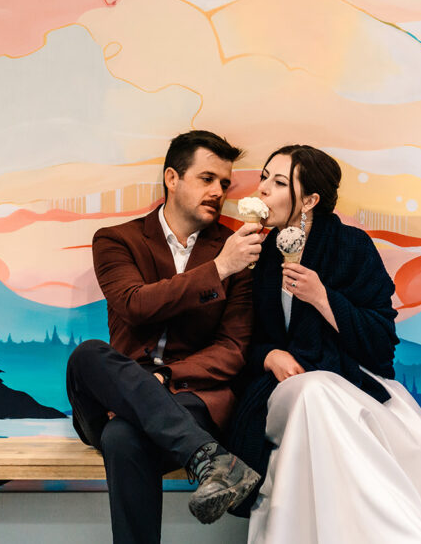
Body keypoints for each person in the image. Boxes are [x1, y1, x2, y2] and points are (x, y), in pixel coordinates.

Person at [229, 145, 421, 544]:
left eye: (279, 182)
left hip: (350, 379)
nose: (262, 190)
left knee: (331, 399)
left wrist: (323, 297)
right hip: (282, 389)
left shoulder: (351, 247)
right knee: (314, 391)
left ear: (309, 200)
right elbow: (238, 342)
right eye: (264, 177)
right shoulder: (253, 253)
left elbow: (382, 344)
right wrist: (270, 355)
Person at [66, 130, 263, 544]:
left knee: (123, 439)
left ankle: (209, 458)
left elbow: (232, 349)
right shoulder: (117, 240)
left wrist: (167, 376)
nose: (218, 191)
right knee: (86, 356)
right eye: (207, 178)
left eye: (224, 184)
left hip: (192, 397)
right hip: (114, 400)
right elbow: (135, 304)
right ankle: (209, 458)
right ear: (172, 178)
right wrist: (219, 270)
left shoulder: (236, 250)